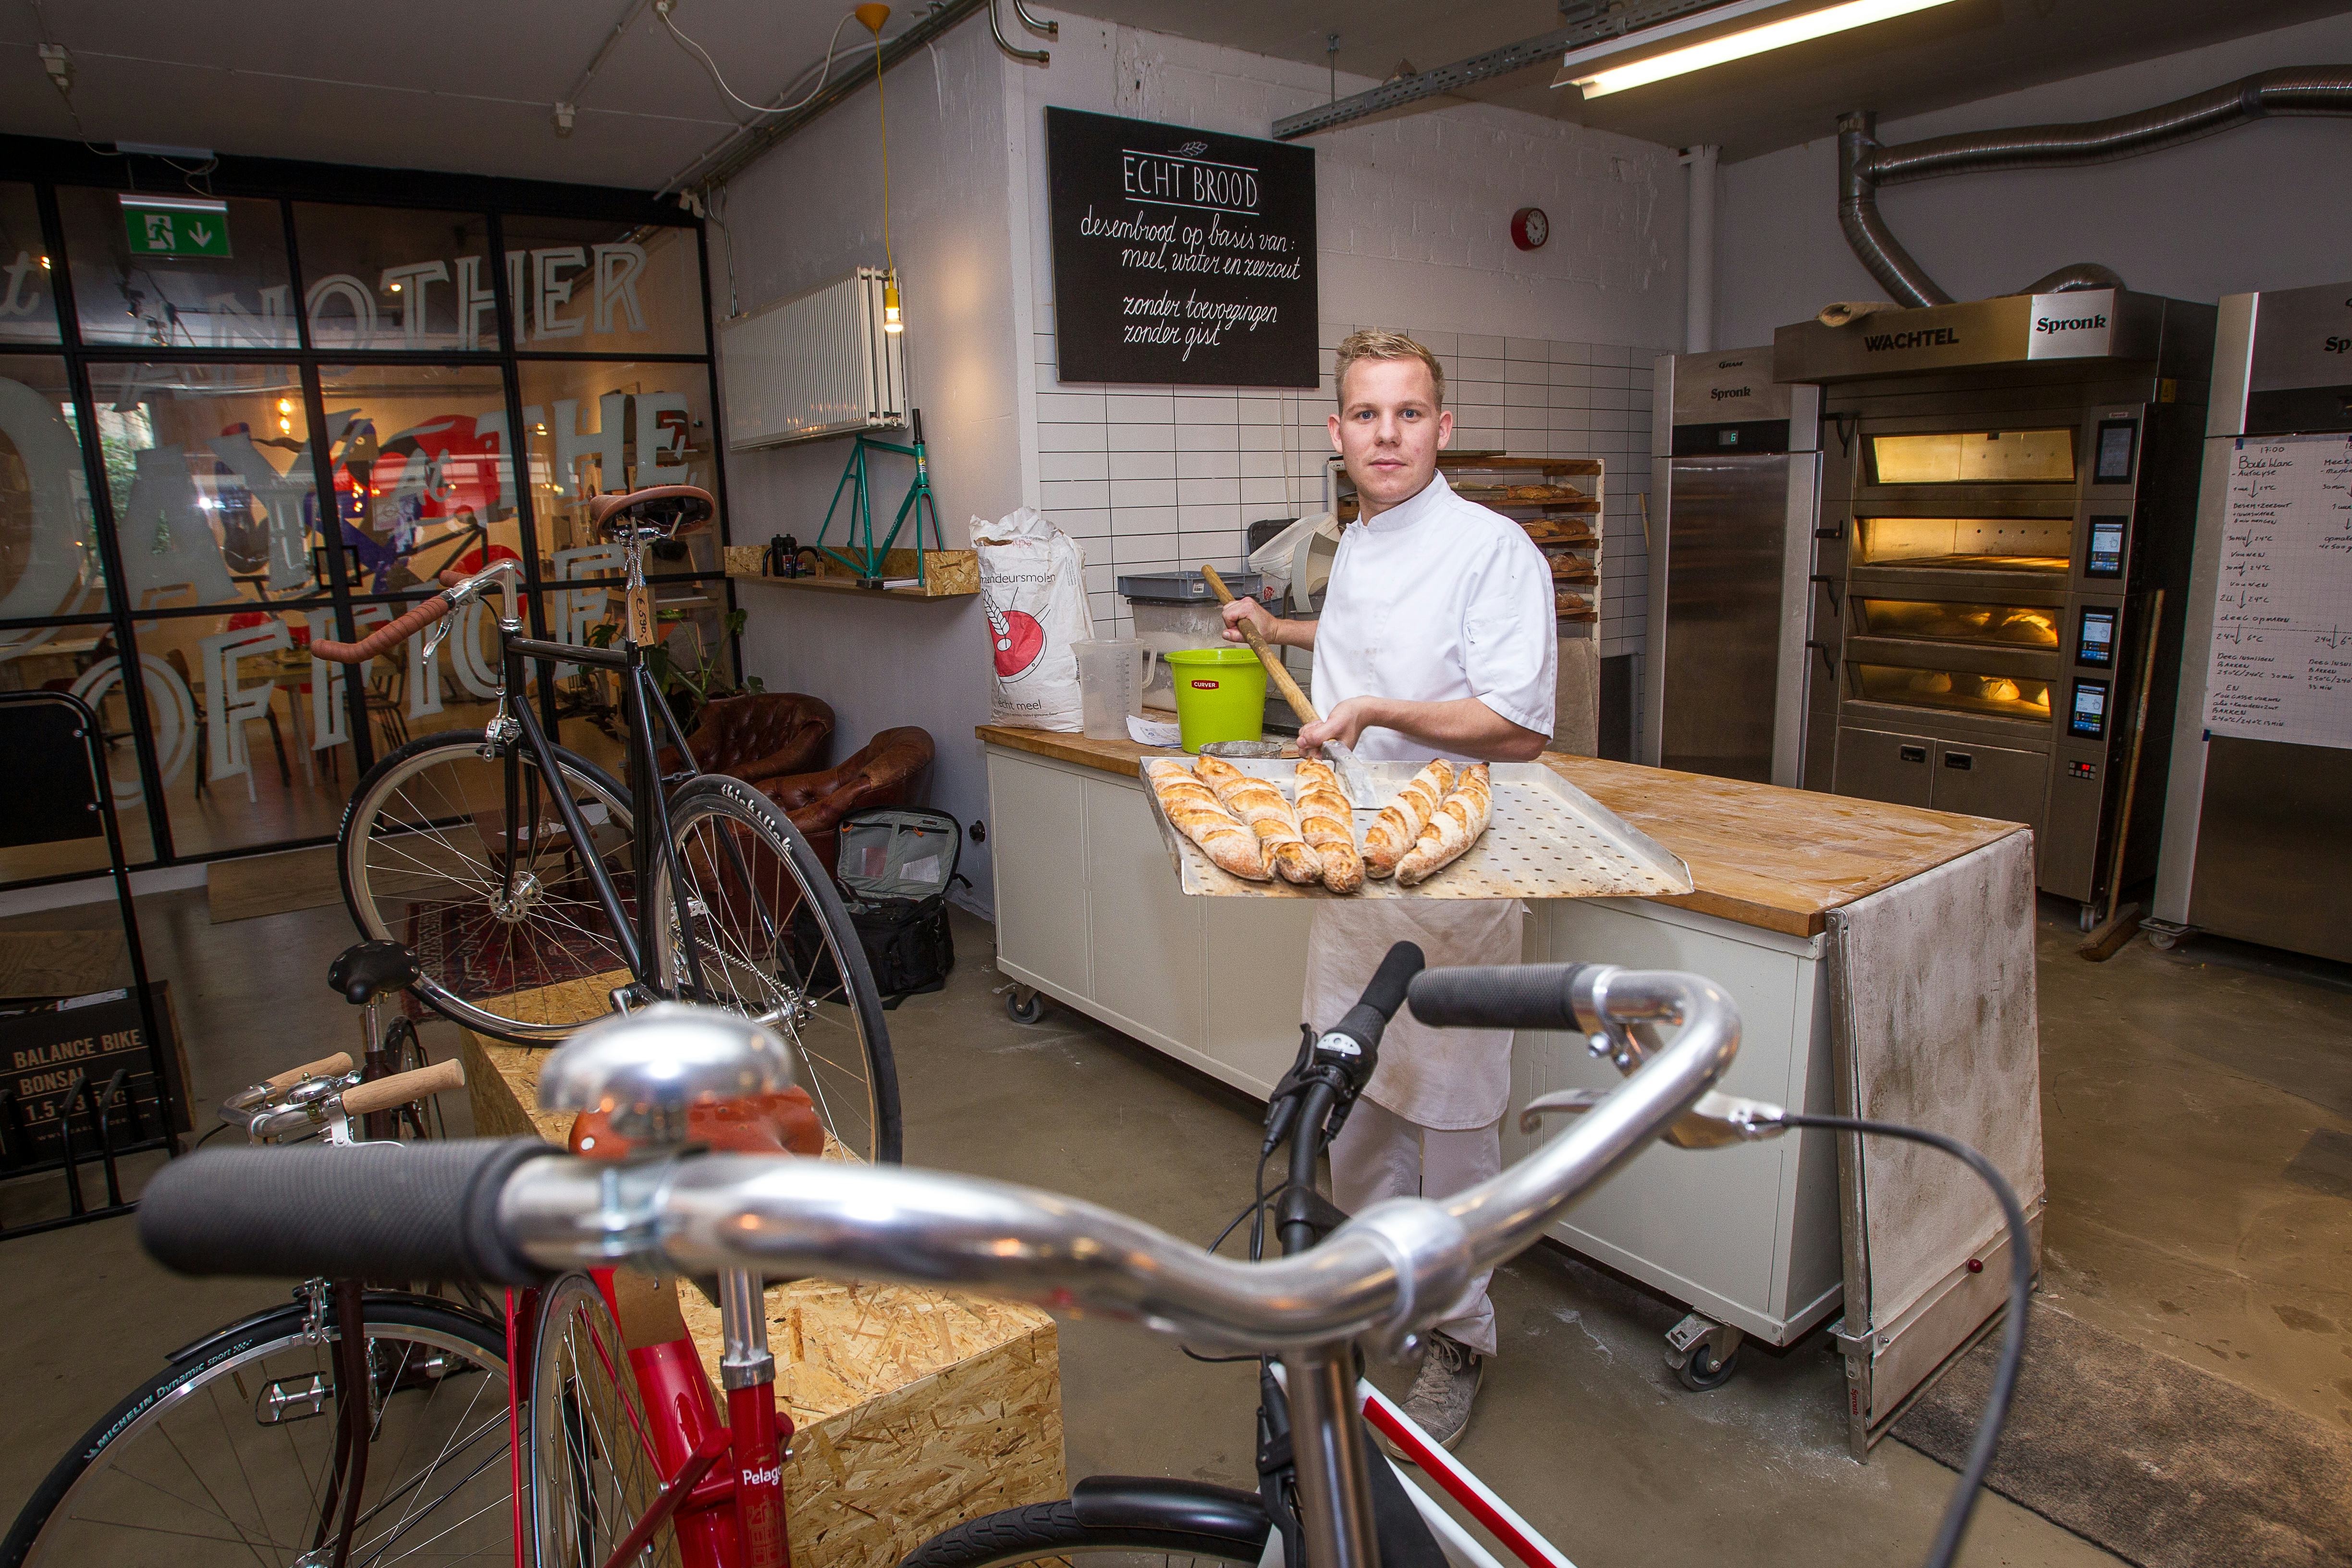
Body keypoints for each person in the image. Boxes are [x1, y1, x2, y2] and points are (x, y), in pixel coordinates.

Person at [1222, 329, 1556, 1451]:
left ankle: (1462, 1334)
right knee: (1353, 1097)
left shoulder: (1495, 548)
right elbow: (1369, 638)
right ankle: (1382, 1290)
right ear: (1338, 434)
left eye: (1409, 414)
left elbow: (1514, 724)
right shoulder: (1360, 540)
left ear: (1442, 427)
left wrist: (1378, 714)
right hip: (1353, 872)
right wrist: (1282, 630)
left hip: (1452, 873)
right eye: (1367, 415)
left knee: (1454, 1121)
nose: (1387, 435)